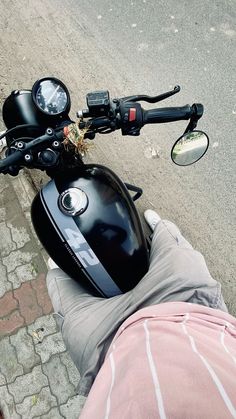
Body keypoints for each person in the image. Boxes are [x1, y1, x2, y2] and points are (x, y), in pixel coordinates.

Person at [46, 210, 236, 418]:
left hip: (106, 343)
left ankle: (59, 269)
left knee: (56, 280)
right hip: (190, 308)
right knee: (171, 238)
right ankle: (161, 229)